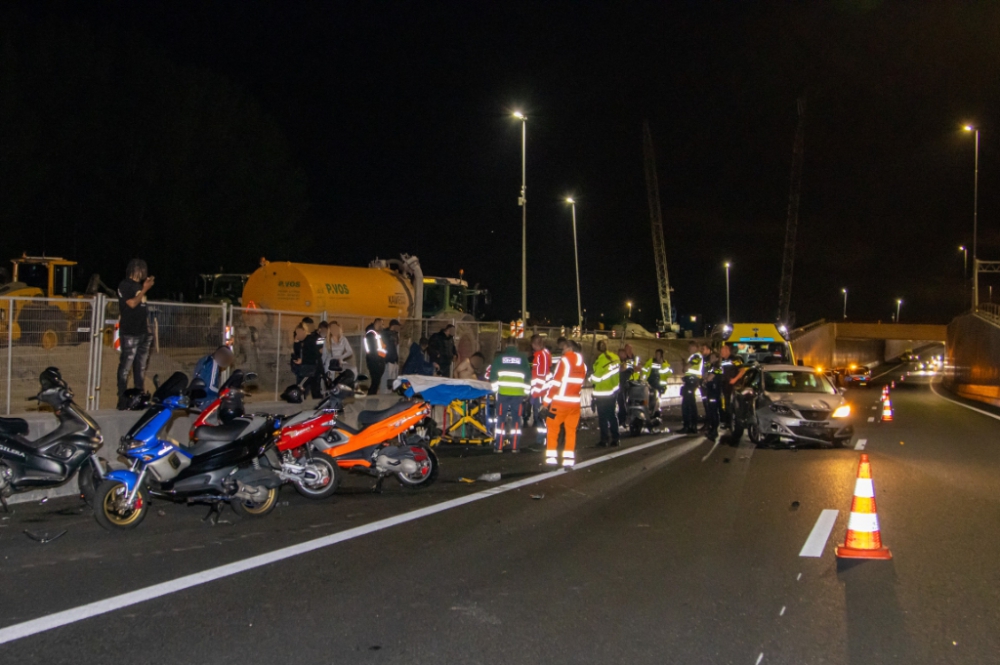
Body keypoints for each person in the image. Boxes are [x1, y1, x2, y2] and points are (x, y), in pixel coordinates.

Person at [541, 339, 587, 467]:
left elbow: (556, 384)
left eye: (563, 349)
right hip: (574, 404)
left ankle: (551, 459)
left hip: (560, 403)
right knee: (571, 432)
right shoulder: (582, 364)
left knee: (553, 430)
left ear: (568, 348)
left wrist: (545, 402)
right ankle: (568, 460)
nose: (562, 351)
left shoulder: (565, 361)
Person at [116, 258, 155, 409]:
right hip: (130, 333)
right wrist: (144, 289)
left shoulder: (138, 286)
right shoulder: (125, 285)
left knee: (140, 369)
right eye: (142, 270)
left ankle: (138, 399)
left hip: (143, 333)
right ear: (135, 270)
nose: (144, 273)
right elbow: (132, 304)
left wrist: (148, 329)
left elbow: (141, 310)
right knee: (125, 368)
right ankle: (122, 399)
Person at [490, 340, 531, 453]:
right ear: (517, 345)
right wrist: (526, 392)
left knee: (501, 420)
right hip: (518, 395)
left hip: (503, 394)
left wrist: (495, 391)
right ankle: (514, 447)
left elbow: (493, 376)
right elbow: (528, 377)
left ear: (506, 345)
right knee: (516, 420)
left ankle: (499, 447)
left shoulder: (499, 358)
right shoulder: (523, 359)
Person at [591, 340, 621, 447]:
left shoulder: (601, 361)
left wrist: (590, 378)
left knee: (603, 417)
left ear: (597, 349)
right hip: (613, 391)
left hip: (602, 393)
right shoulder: (615, 358)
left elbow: (596, 378)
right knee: (612, 416)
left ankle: (604, 440)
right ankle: (616, 438)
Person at [529, 335, 553, 447]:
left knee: (540, 417)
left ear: (534, 344)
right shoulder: (545, 353)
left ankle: (542, 440)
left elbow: (540, 376)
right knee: (543, 417)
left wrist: (535, 393)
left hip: (540, 392)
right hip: (544, 390)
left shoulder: (539, 356)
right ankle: (544, 439)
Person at [719, 343, 746, 429]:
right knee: (727, 404)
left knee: (732, 405)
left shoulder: (735, 359)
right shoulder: (723, 360)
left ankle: (732, 423)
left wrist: (735, 379)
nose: (721, 352)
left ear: (727, 351)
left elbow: (742, 370)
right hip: (725, 385)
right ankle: (727, 423)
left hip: (734, 386)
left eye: (722, 351)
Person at [681, 341, 704, 434]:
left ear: (695, 347)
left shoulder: (697, 356)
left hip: (692, 381)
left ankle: (690, 425)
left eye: (690, 347)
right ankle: (690, 425)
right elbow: (685, 369)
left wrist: (685, 365)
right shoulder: (693, 356)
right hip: (690, 381)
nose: (689, 349)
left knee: (688, 404)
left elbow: (686, 368)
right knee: (688, 403)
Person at [702, 351, 723, 441]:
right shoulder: (711, 367)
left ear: (717, 358)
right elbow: (704, 375)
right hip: (711, 391)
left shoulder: (717, 367)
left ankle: (714, 430)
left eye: (713, 357)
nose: (711, 359)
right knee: (710, 410)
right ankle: (712, 429)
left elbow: (709, 378)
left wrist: (706, 379)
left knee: (714, 411)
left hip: (715, 392)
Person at [363, 318, 387, 395]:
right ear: (376, 323)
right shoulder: (371, 334)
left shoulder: (375, 333)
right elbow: (373, 350)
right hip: (374, 361)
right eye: (381, 324)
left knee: (376, 383)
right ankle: (371, 400)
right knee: (375, 382)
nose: (382, 326)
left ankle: (372, 400)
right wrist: (378, 361)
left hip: (377, 361)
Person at [617, 343, 639, 425]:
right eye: (626, 350)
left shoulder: (632, 359)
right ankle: (622, 420)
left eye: (629, 349)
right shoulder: (621, 361)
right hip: (623, 385)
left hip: (632, 384)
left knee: (627, 402)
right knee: (622, 403)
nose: (628, 351)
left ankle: (626, 419)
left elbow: (637, 368)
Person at [382, 319, 402, 392]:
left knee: (392, 379)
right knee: (387, 377)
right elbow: (387, 348)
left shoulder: (394, 334)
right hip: (388, 360)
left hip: (394, 360)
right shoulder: (386, 334)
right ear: (393, 326)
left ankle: (389, 392)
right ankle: (384, 393)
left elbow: (395, 348)